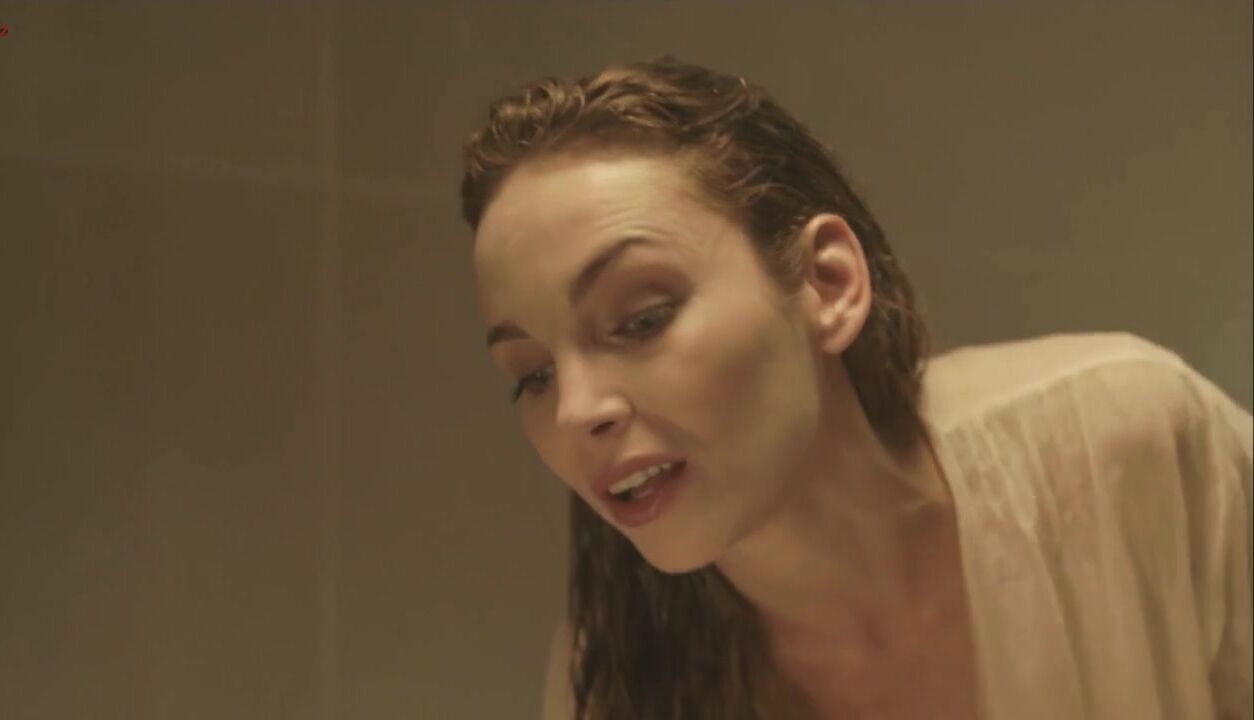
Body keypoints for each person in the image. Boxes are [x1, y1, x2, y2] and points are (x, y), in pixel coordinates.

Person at [458, 56, 1253, 720]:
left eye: (641, 319)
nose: (577, 411)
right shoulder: (612, 686)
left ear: (827, 284)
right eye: (534, 375)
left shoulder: (1125, 448)